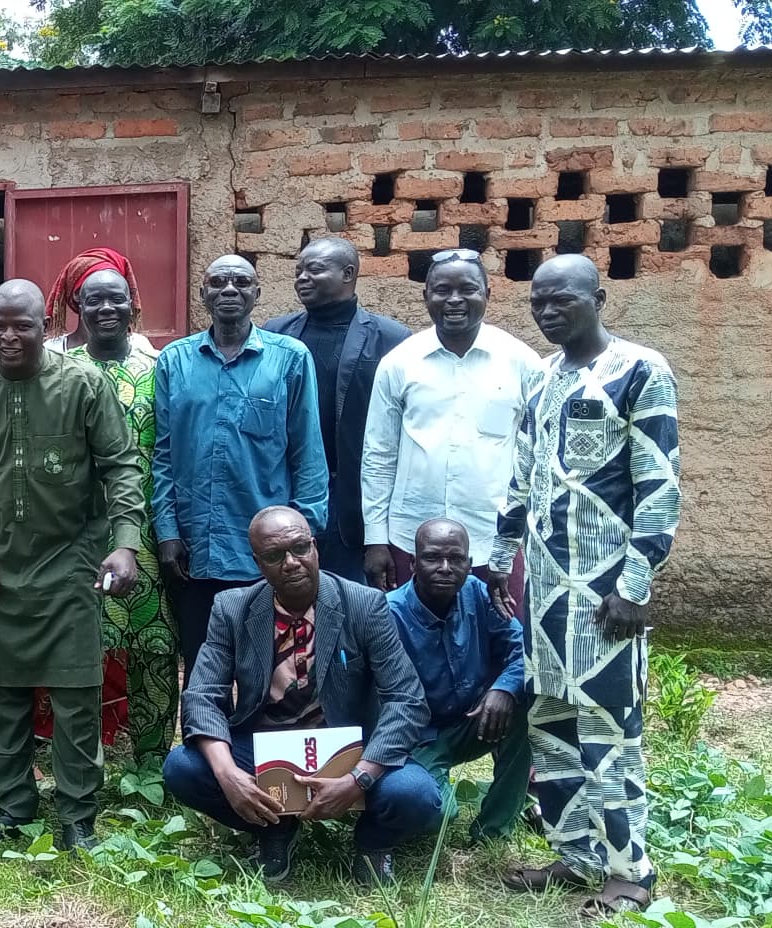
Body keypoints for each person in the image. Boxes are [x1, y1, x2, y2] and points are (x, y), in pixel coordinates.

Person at [492, 254, 681, 919]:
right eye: (538, 302)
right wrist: (499, 558)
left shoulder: (640, 371)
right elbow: (521, 475)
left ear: (598, 298)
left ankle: (631, 873)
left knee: (608, 728)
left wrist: (635, 584)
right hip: (544, 594)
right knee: (552, 724)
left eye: (562, 300)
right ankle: (577, 855)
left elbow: (658, 486)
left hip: (606, 596)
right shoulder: (540, 378)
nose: (547, 311)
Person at [0, 279, 146, 852]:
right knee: (2, 697)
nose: (7, 336)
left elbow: (121, 465)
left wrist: (125, 542)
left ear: (47, 323)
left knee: (76, 699)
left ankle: (77, 817)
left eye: (21, 325)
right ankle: (12, 808)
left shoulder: (82, 383)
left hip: (70, 564)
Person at [164, 507, 438, 885]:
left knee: (416, 794)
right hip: (265, 747)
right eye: (276, 556)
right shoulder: (232, 609)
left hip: (349, 748)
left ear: (315, 547)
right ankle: (275, 830)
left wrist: (358, 778)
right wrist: (228, 774)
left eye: (299, 548)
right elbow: (202, 696)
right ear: (258, 562)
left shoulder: (364, 605)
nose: (291, 562)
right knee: (183, 768)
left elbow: (406, 700)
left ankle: (373, 844)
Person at [154, 255, 328, 675]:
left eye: (240, 282)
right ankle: (205, 740)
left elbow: (308, 452)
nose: (229, 290)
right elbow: (163, 454)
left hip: (267, 552)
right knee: (202, 667)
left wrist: (305, 537)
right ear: (203, 295)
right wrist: (167, 531)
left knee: (272, 670)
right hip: (196, 549)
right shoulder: (174, 361)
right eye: (217, 282)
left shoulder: (289, 358)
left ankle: (258, 743)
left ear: (257, 294)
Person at [42, 248, 176, 761]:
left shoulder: (161, 367)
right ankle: (82, 756)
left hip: (144, 523)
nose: (105, 308)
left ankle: (151, 757)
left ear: (132, 303)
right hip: (76, 529)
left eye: (115, 298)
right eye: (93, 299)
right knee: (81, 640)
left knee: (155, 642)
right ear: (77, 303)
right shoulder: (57, 369)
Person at [361, 249, 541, 601]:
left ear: (488, 295)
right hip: (410, 538)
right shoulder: (399, 364)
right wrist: (376, 538)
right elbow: (379, 455)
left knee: (499, 641)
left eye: (468, 289)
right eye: (442, 290)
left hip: (495, 541)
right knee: (410, 643)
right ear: (425, 295)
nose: (455, 300)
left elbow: (538, 455)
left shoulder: (522, 363)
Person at [264, 238, 410, 578]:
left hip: (354, 502)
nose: (302, 278)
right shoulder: (275, 334)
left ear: (348, 273)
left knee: (351, 605)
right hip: (290, 491)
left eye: (314, 270)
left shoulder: (391, 338)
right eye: (298, 271)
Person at [388, 519, 530, 845]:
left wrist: (504, 688)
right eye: (432, 558)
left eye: (456, 559)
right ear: (412, 563)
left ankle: (494, 829)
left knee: (527, 702)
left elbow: (522, 650)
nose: (445, 568)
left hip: (473, 721)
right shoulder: (388, 614)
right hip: (416, 738)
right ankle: (429, 789)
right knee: (436, 813)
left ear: (469, 564)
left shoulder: (478, 593)